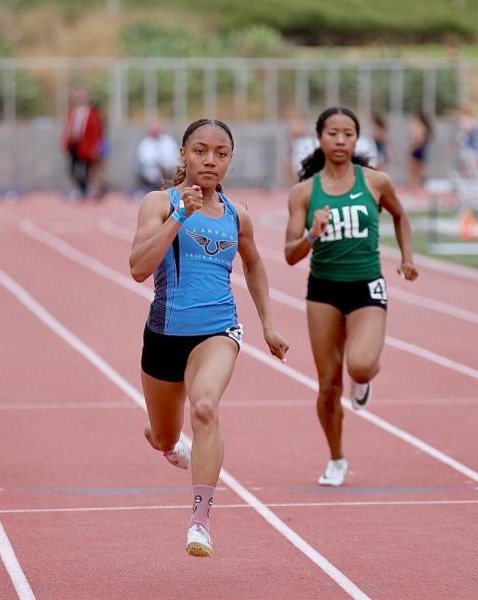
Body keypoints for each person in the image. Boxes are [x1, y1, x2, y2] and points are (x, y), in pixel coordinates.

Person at [129, 118, 289, 557]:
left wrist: (268, 324)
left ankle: (199, 522)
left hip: (218, 329)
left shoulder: (239, 215)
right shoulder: (158, 202)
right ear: (183, 154)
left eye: (220, 153)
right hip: (164, 333)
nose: (210, 160)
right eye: (200, 151)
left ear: (230, 161)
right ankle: (165, 439)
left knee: (204, 405)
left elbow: (254, 265)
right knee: (165, 437)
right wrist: (180, 215)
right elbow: (139, 267)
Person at [284, 107, 418, 487]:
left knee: (358, 366)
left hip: (365, 284)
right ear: (319, 139)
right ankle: (336, 458)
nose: (340, 140)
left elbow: (401, 217)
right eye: (332, 133)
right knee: (328, 384)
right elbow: (290, 254)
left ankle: (364, 380)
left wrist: (407, 258)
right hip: (323, 290)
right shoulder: (304, 193)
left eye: (347, 134)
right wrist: (312, 232)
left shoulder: (375, 182)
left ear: (357, 139)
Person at [62, 88, 104, 199]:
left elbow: (97, 131)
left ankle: (86, 191)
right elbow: (68, 128)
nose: (79, 100)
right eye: (77, 97)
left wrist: (96, 147)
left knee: (87, 170)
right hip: (74, 145)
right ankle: (82, 189)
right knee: (72, 169)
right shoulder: (72, 112)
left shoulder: (92, 113)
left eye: (81, 97)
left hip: (87, 147)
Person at [135, 122, 180, 193]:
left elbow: (175, 154)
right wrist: (158, 163)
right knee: (154, 174)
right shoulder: (145, 143)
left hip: (170, 167)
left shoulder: (168, 140)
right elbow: (144, 159)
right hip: (152, 168)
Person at [407, 111, 433, 188]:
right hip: (420, 150)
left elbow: (419, 140)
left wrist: (413, 148)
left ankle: (414, 186)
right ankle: (416, 185)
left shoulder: (420, 127)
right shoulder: (421, 127)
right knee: (418, 169)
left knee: (415, 170)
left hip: (417, 150)